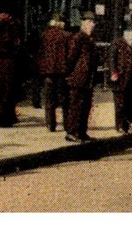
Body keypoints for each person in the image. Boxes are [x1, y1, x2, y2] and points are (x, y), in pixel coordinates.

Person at [63, 12, 98, 142]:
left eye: (93, 22)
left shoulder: (90, 39)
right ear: (83, 23)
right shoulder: (78, 38)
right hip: (78, 78)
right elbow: (71, 58)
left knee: (85, 106)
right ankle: (72, 132)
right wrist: (68, 75)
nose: (92, 25)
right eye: (89, 22)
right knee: (76, 106)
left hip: (88, 79)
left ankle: (82, 132)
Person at [36, 12, 71, 133]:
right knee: (65, 99)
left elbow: (40, 53)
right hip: (62, 72)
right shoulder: (66, 36)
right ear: (60, 22)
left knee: (49, 99)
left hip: (47, 72)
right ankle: (67, 125)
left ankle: (50, 124)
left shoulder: (44, 35)